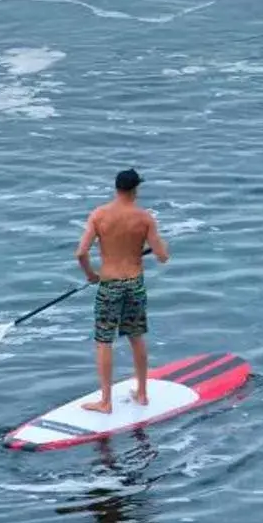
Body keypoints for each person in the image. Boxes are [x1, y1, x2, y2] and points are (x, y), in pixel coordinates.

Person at [74, 168, 169, 412]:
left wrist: (92, 275)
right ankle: (143, 393)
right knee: (136, 337)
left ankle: (105, 402)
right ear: (135, 190)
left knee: (104, 341)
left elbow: (81, 252)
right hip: (134, 284)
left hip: (110, 284)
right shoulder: (145, 218)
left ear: (116, 189)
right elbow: (162, 256)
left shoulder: (99, 215)